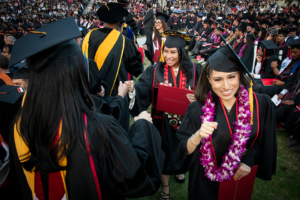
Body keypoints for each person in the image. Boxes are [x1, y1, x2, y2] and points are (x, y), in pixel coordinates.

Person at [8, 17, 164, 200]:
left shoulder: (19, 125)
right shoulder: (96, 129)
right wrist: (142, 127)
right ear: (74, 72)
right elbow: (133, 181)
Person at [169, 47, 277, 200]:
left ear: (240, 75)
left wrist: (248, 161)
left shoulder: (259, 104)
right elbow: (181, 148)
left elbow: (262, 139)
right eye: (218, 79)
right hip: (204, 179)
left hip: (237, 178)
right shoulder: (197, 109)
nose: (226, 86)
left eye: (231, 77)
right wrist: (198, 135)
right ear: (208, 79)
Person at [126, 30, 202, 200]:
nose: (167, 56)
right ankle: (165, 186)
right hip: (162, 123)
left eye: (172, 52)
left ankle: (180, 171)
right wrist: (134, 89)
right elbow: (143, 88)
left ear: (181, 52)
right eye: (165, 51)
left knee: (184, 149)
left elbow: (206, 94)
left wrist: (198, 97)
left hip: (186, 122)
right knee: (164, 151)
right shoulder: (155, 70)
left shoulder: (196, 70)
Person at [82, 3, 144, 131]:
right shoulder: (123, 42)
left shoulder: (88, 36)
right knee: (116, 129)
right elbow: (136, 69)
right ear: (118, 23)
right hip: (116, 94)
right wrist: (136, 51)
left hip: (90, 92)